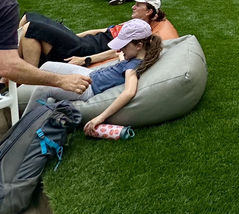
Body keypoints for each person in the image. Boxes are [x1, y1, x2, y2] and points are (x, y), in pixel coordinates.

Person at [22, 19, 163, 136]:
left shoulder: (133, 67)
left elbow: (129, 92)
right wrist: (121, 56)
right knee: (48, 65)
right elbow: (120, 58)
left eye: (124, 46)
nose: (121, 50)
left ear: (139, 45)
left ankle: (23, 127)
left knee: (43, 89)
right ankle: (31, 95)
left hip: (88, 88)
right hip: (89, 74)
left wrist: (100, 117)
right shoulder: (136, 55)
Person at [18, 0, 173, 67]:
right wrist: (72, 35)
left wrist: (86, 59)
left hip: (88, 49)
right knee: (30, 16)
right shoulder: (131, 22)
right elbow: (100, 30)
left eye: (138, 5)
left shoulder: (142, 32)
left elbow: (119, 52)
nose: (133, 6)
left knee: (31, 28)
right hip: (82, 41)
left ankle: (27, 80)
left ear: (149, 12)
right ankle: (7, 74)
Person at [0, 0, 91, 96]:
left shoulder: (5, 3)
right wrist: (61, 80)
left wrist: (87, 59)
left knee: (31, 28)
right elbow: (8, 66)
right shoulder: (5, 3)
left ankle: (23, 84)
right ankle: (22, 80)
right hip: (84, 40)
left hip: (88, 47)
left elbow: (116, 52)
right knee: (29, 20)